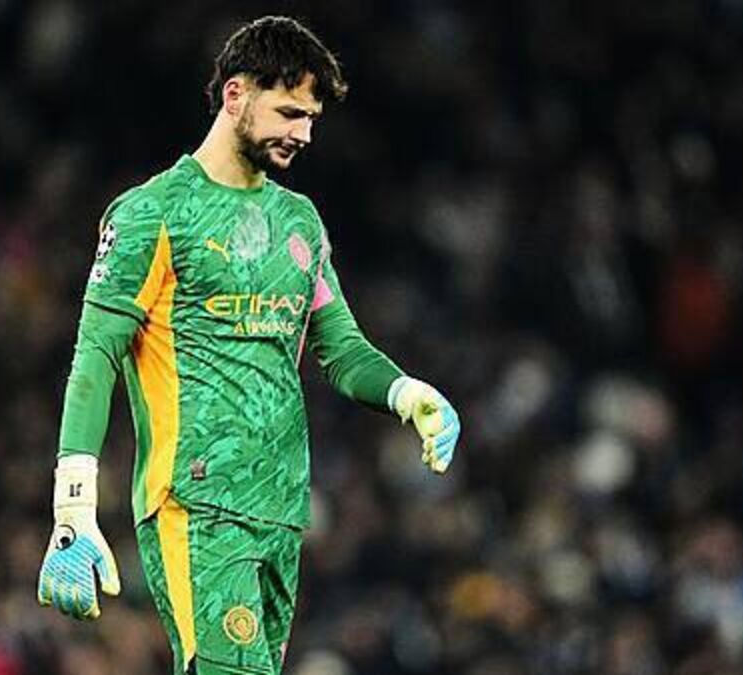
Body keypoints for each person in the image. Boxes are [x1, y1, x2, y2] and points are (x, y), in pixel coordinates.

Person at [36, 15, 461, 675]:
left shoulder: (300, 221)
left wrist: (407, 393)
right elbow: (95, 356)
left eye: (311, 119)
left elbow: (341, 348)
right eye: (290, 112)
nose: (304, 134)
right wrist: (73, 505)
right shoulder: (153, 214)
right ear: (235, 95)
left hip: (282, 509)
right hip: (197, 503)